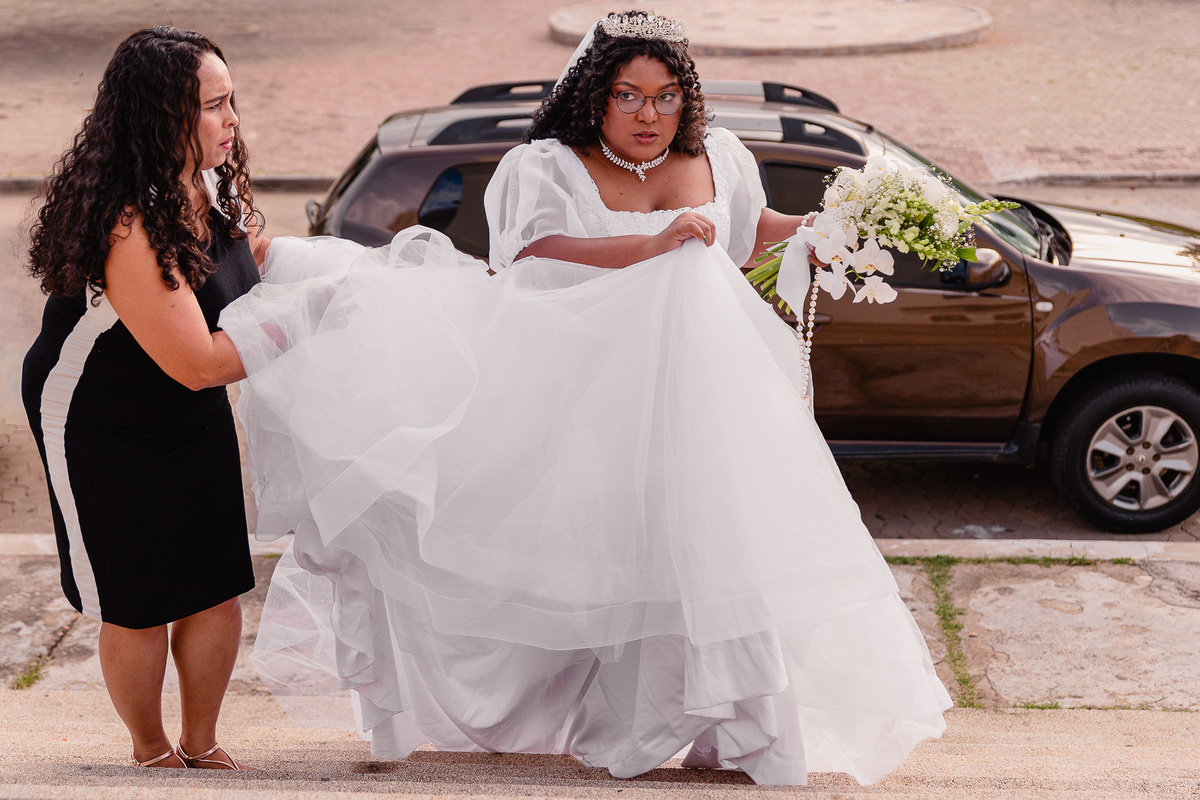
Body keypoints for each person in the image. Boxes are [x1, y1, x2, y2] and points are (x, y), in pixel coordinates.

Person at [222, 11, 952, 785]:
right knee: (602, 564)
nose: (649, 115)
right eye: (629, 96)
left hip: (694, 403)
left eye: (667, 97)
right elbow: (529, 251)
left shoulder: (722, 158)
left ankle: (740, 729)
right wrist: (647, 247)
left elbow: (743, 233)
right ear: (594, 98)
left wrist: (829, 224)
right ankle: (614, 720)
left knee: (714, 545)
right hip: (584, 401)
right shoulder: (547, 166)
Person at [22, 26, 269, 770]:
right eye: (214, 106)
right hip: (101, 417)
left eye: (233, 102)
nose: (232, 120)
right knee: (139, 596)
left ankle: (203, 739)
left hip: (183, 406)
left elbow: (231, 276)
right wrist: (300, 322)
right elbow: (200, 362)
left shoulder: (211, 184)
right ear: (165, 118)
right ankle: (152, 749)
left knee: (215, 580)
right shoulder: (130, 220)